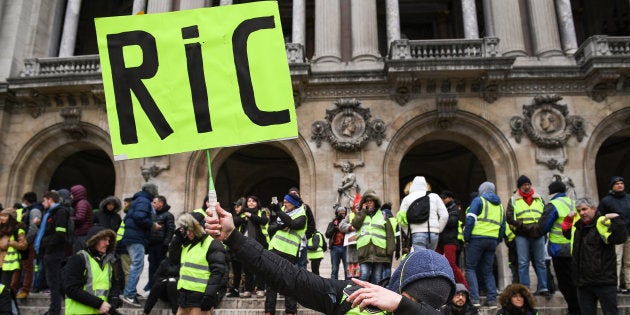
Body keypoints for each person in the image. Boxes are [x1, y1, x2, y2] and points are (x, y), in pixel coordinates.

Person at [204, 202, 456, 314]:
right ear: (399, 285)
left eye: (428, 305)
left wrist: (403, 306)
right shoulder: (355, 296)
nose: (416, 304)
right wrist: (234, 238)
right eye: (411, 297)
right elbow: (290, 277)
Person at [563, 197, 627, 315]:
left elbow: (619, 238)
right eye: (579, 210)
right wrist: (567, 219)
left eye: (584, 209)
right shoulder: (577, 226)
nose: (582, 213)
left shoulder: (601, 222)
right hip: (583, 283)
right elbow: (567, 233)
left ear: (593, 208)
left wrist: (616, 220)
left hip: (604, 281)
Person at [169, 213, 227, 315]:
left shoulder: (212, 244)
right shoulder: (187, 244)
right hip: (184, 299)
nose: (189, 233)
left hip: (201, 300)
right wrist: (177, 239)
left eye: (191, 229)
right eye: (187, 229)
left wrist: (209, 295)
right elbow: (174, 260)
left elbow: (218, 272)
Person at [538, 181, 580, 315]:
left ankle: (574, 310)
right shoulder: (572, 202)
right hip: (575, 247)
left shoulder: (554, 204)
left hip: (560, 249)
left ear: (551, 192)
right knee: (575, 281)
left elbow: (543, 227)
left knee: (564, 283)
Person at [63, 226, 123, 315]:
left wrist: (114, 299)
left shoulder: (109, 262)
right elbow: (71, 289)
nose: (107, 243)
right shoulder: (79, 259)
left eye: (109, 240)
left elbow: (114, 285)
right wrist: (99, 304)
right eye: (104, 240)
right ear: (94, 241)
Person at [463, 181, 505, 308]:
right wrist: (497, 240)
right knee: (488, 271)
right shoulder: (500, 206)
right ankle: (492, 300)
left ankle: (474, 299)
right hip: (492, 240)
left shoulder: (478, 200)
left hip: (477, 238)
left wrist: (466, 237)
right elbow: (503, 226)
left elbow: (470, 219)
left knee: (470, 268)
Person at [505, 175, 549, 296]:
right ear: (520, 187)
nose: (527, 186)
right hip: (522, 234)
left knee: (540, 262)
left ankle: (543, 287)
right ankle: (526, 289)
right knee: (523, 262)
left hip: (537, 233)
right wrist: (523, 226)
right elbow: (509, 217)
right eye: (524, 185)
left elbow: (545, 214)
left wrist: (540, 228)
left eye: (528, 184)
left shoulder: (539, 198)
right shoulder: (513, 199)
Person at [265, 192, 307, 315]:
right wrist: (279, 224)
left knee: (288, 283)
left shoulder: (301, 215)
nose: (285, 203)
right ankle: (268, 311)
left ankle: (290, 311)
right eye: (284, 201)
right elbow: (270, 228)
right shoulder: (281, 213)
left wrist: (280, 215)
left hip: (288, 253)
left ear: (294, 203)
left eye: (287, 201)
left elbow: (294, 224)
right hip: (274, 250)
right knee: (271, 282)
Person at [121, 182, 159, 307]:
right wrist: (152, 225)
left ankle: (130, 291)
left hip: (134, 237)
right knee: (137, 265)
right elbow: (139, 217)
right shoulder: (143, 201)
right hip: (136, 238)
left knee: (136, 265)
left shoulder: (138, 200)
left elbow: (129, 218)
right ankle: (129, 294)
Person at [35, 190, 71, 315]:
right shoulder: (50, 213)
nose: (43, 203)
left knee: (53, 283)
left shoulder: (60, 212)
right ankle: (66, 305)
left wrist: (49, 249)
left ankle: (54, 310)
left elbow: (59, 233)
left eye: (44, 201)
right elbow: (49, 232)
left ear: (50, 200)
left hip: (54, 252)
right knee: (58, 282)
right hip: (49, 251)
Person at [351, 190, 398, 285]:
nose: (369, 203)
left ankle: (374, 298)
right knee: (364, 274)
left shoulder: (383, 215)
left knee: (377, 276)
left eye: (371, 201)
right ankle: (361, 295)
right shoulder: (360, 214)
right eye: (367, 201)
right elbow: (355, 224)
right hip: (364, 252)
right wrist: (363, 211)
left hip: (379, 251)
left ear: (375, 202)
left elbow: (389, 234)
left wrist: (389, 251)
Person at [598, 176, 630, 293]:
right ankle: (614, 285)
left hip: (628, 234)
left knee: (628, 262)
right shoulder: (606, 201)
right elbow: (600, 218)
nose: (620, 185)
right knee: (616, 260)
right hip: (615, 234)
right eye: (617, 184)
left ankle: (628, 284)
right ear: (612, 186)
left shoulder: (628, 198)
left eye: (622, 183)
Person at [397, 176, 448, 251]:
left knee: (421, 259)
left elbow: (401, 219)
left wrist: (409, 231)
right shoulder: (435, 196)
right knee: (431, 257)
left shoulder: (407, 199)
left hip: (416, 232)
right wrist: (438, 229)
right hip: (433, 233)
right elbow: (445, 215)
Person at [234, 195, 268, 298]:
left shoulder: (261, 211)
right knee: (247, 268)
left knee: (260, 267)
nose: (251, 203)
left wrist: (251, 216)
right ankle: (248, 289)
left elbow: (264, 220)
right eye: (249, 201)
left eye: (253, 201)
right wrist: (244, 217)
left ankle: (261, 289)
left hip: (259, 244)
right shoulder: (244, 213)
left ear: (257, 203)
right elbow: (235, 222)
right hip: (246, 244)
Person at [13, 191, 43, 299]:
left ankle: (25, 289)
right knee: (20, 266)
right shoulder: (29, 210)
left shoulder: (34, 210)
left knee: (28, 267)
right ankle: (14, 288)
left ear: (26, 200)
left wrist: (26, 241)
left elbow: (33, 228)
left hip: (29, 244)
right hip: (25, 243)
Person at [437, 190, 468, 288]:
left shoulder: (454, 208)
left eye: (444, 198)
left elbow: (452, 222)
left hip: (450, 240)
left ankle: (465, 286)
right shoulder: (445, 208)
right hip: (441, 240)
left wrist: (442, 217)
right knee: (436, 262)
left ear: (450, 198)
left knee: (451, 264)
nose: (442, 200)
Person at [145, 195, 175, 292]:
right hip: (152, 246)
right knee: (151, 268)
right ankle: (151, 288)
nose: (153, 204)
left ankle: (159, 290)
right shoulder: (152, 215)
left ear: (161, 203)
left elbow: (170, 231)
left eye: (155, 202)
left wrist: (165, 244)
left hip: (161, 246)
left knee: (160, 269)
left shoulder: (168, 215)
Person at [0, 208, 27, 288]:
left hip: (9, 263)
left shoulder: (17, 230)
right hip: (1, 261)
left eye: (5, 216)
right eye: (1, 216)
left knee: (3, 288)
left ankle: (6, 300)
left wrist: (10, 243)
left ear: (11, 218)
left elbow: (24, 245)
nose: (2, 218)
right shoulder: (1, 228)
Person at [226, 197, 245, 298]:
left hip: (246, 247)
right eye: (235, 206)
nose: (236, 208)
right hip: (235, 248)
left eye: (238, 206)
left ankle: (253, 289)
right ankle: (235, 289)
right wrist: (243, 218)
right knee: (236, 271)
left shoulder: (249, 215)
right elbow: (234, 222)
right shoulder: (238, 217)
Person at [326, 206, 348, 280]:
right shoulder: (332, 223)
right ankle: (333, 285)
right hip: (335, 248)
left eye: (343, 213)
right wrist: (334, 228)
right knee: (334, 269)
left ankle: (347, 285)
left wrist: (342, 228)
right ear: (337, 213)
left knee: (347, 269)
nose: (341, 215)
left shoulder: (348, 223)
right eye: (340, 213)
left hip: (346, 248)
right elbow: (327, 234)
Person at [70, 184, 94, 254]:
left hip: (81, 234)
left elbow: (80, 218)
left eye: (72, 194)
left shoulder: (81, 203)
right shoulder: (83, 203)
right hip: (82, 233)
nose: (71, 196)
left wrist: (69, 219)